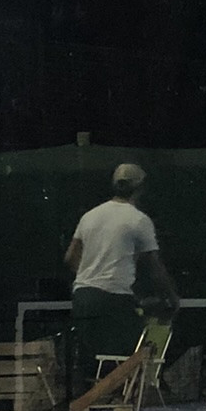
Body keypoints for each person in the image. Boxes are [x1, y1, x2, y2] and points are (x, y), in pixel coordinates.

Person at [64, 162, 179, 389]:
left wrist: (91, 274)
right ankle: (124, 401)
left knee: (91, 361)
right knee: (128, 356)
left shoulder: (89, 216)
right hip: (114, 298)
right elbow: (155, 266)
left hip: (83, 297)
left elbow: (70, 257)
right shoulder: (138, 220)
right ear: (141, 188)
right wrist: (171, 296)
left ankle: (88, 402)